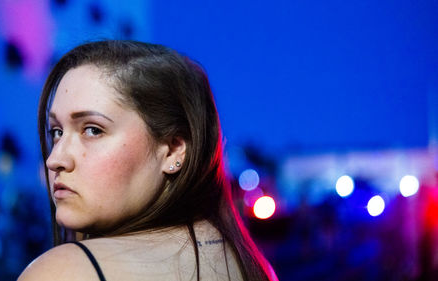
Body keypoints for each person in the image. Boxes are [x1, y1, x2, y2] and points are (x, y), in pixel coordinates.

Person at [18, 40, 278, 281]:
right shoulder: (251, 265)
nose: (55, 159)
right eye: (57, 132)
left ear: (174, 151)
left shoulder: (64, 272)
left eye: (93, 130)